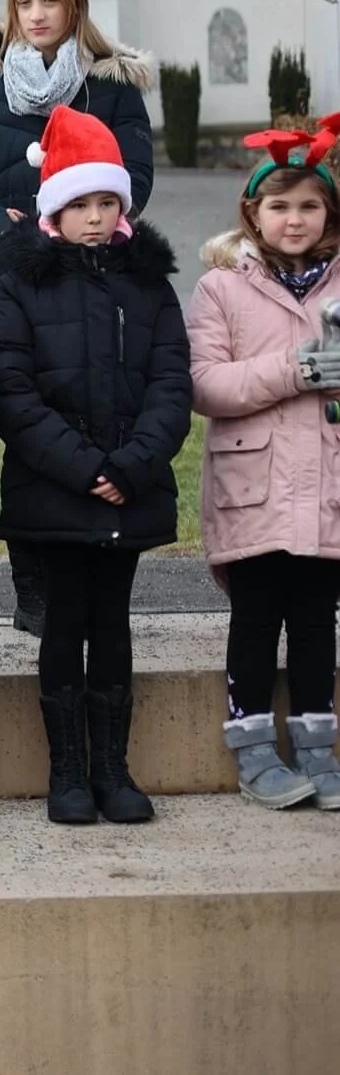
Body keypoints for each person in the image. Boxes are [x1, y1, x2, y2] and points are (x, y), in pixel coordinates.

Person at [0, 0, 156, 640]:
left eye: (50, 1)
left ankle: (95, 567)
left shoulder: (112, 91)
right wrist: (3, 230)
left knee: (90, 418)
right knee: (24, 424)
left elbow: (137, 179)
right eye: (24, 2)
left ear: (74, 6)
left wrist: (75, 218)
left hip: (97, 286)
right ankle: (31, 582)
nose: (36, 14)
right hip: (14, 289)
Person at [0, 107, 191, 824]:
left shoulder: (148, 283)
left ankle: (112, 768)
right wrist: (83, 469)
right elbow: (11, 389)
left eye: (107, 203)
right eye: (80, 205)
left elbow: (172, 380)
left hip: (129, 484)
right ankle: (68, 769)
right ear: (53, 212)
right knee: (65, 619)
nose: (96, 218)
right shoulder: (21, 285)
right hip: (57, 488)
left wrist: (131, 465)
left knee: (114, 620)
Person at [186, 123, 340, 809]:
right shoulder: (221, 288)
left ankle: (316, 748)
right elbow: (206, 384)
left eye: (310, 206)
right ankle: (252, 750)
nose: (295, 219)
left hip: (328, 486)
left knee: (315, 622)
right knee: (255, 620)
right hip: (253, 488)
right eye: (280, 206)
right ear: (253, 213)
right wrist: (297, 369)